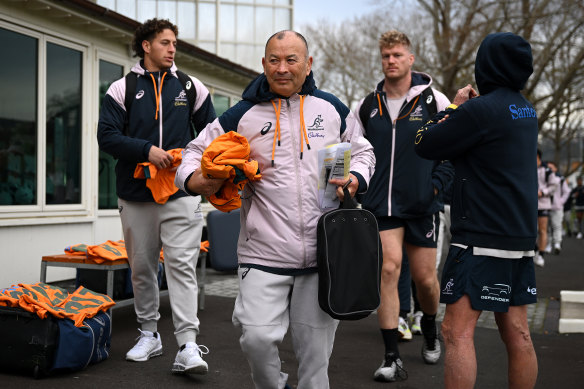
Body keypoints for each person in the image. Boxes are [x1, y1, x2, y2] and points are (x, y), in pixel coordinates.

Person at [175, 30, 375, 389]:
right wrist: (196, 182)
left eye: (291, 59)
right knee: (256, 337)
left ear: (308, 63)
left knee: (315, 359)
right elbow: (191, 153)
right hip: (262, 251)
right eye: (274, 60)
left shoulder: (331, 109)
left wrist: (356, 177)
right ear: (263, 64)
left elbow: (362, 151)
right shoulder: (242, 114)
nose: (282, 68)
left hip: (322, 253)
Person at [415, 32, 539, 389]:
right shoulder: (524, 108)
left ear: (486, 64)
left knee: (456, 331)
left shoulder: (481, 110)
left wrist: (454, 107)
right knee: (518, 333)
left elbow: (425, 143)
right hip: (518, 235)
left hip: (481, 236)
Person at [97, 18, 217, 374]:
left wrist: (197, 171)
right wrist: (147, 150)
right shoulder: (122, 88)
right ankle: (149, 334)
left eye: (174, 43)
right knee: (143, 268)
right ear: (146, 46)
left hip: (182, 192)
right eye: (165, 42)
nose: (172, 48)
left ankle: (188, 345)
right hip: (135, 194)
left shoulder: (192, 87)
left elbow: (211, 136)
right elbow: (107, 136)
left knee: (181, 266)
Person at [354, 30, 453, 382]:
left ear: (411, 59)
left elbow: (452, 150)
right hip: (382, 207)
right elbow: (350, 149)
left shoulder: (435, 102)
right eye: (385, 56)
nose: (391, 61)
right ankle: (391, 356)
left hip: (422, 206)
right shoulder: (366, 106)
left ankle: (429, 326)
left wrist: (437, 186)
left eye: (397, 55)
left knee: (426, 281)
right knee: (389, 270)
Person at [535, 150, 560, 267]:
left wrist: (543, 192)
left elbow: (554, 186)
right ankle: (533, 250)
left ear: (538, 156)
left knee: (542, 230)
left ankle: (541, 255)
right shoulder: (527, 168)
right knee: (531, 230)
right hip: (529, 204)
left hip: (543, 204)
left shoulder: (547, 170)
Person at [546, 162, 570, 254]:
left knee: (557, 225)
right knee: (547, 227)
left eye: (551, 167)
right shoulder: (545, 178)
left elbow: (567, 192)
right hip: (546, 206)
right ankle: (548, 244)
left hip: (557, 206)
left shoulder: (560, 179)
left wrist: (560, 202)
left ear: (556, 168)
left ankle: (557, 244)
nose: (549, 169)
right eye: (548, 167)